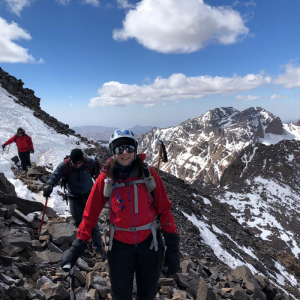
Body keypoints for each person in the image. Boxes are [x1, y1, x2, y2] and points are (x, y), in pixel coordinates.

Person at [61, 129, 180, 300]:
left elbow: (164, 210)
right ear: (113, 151)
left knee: (147, 294)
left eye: (129, 148)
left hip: (150, 244)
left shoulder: (148, 174)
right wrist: (77, 246)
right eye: (119, 149)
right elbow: (90, 214)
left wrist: (173, 246)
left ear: (135, 150)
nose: (125, 153)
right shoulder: (106, 179)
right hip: (120, 246)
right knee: (120, 294)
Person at [43, 148, 104, 258]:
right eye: (75, 163)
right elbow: (55, 176)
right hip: (74, 197)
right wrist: (49, 185)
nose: (77, 165)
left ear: (83, 160)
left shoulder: (88, 162)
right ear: (70, 160)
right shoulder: (64, 165)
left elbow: (99, 175)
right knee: (78, 222)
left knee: (92, 221)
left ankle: (98, 248)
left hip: (89, 195)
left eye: (79, 163)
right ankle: (82, 246)